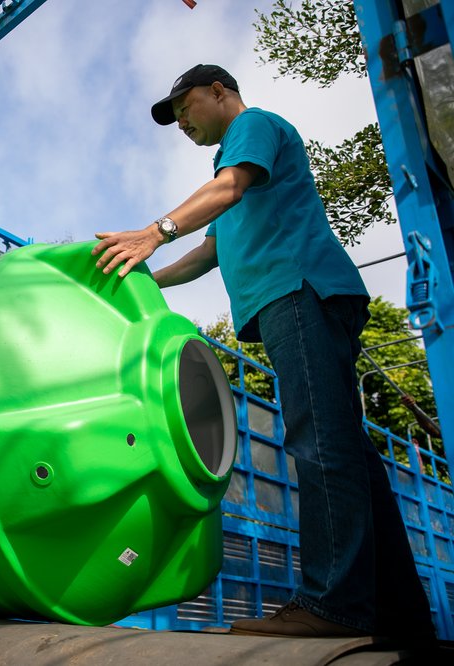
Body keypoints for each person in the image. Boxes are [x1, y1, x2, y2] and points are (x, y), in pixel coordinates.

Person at [91, 64, 435, 644]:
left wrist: (154, 231)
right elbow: (208, 253)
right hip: (292, 299)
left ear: (219, 92)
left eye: (185, 109)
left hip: (297, 290)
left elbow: (228, 189)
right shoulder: (227, 169)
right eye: (176, 118)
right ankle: (399, 615)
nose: (182, 123)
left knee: (319, 441)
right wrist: (144, 277)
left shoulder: (250, 129)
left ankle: (334, 604)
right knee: (347, 451)